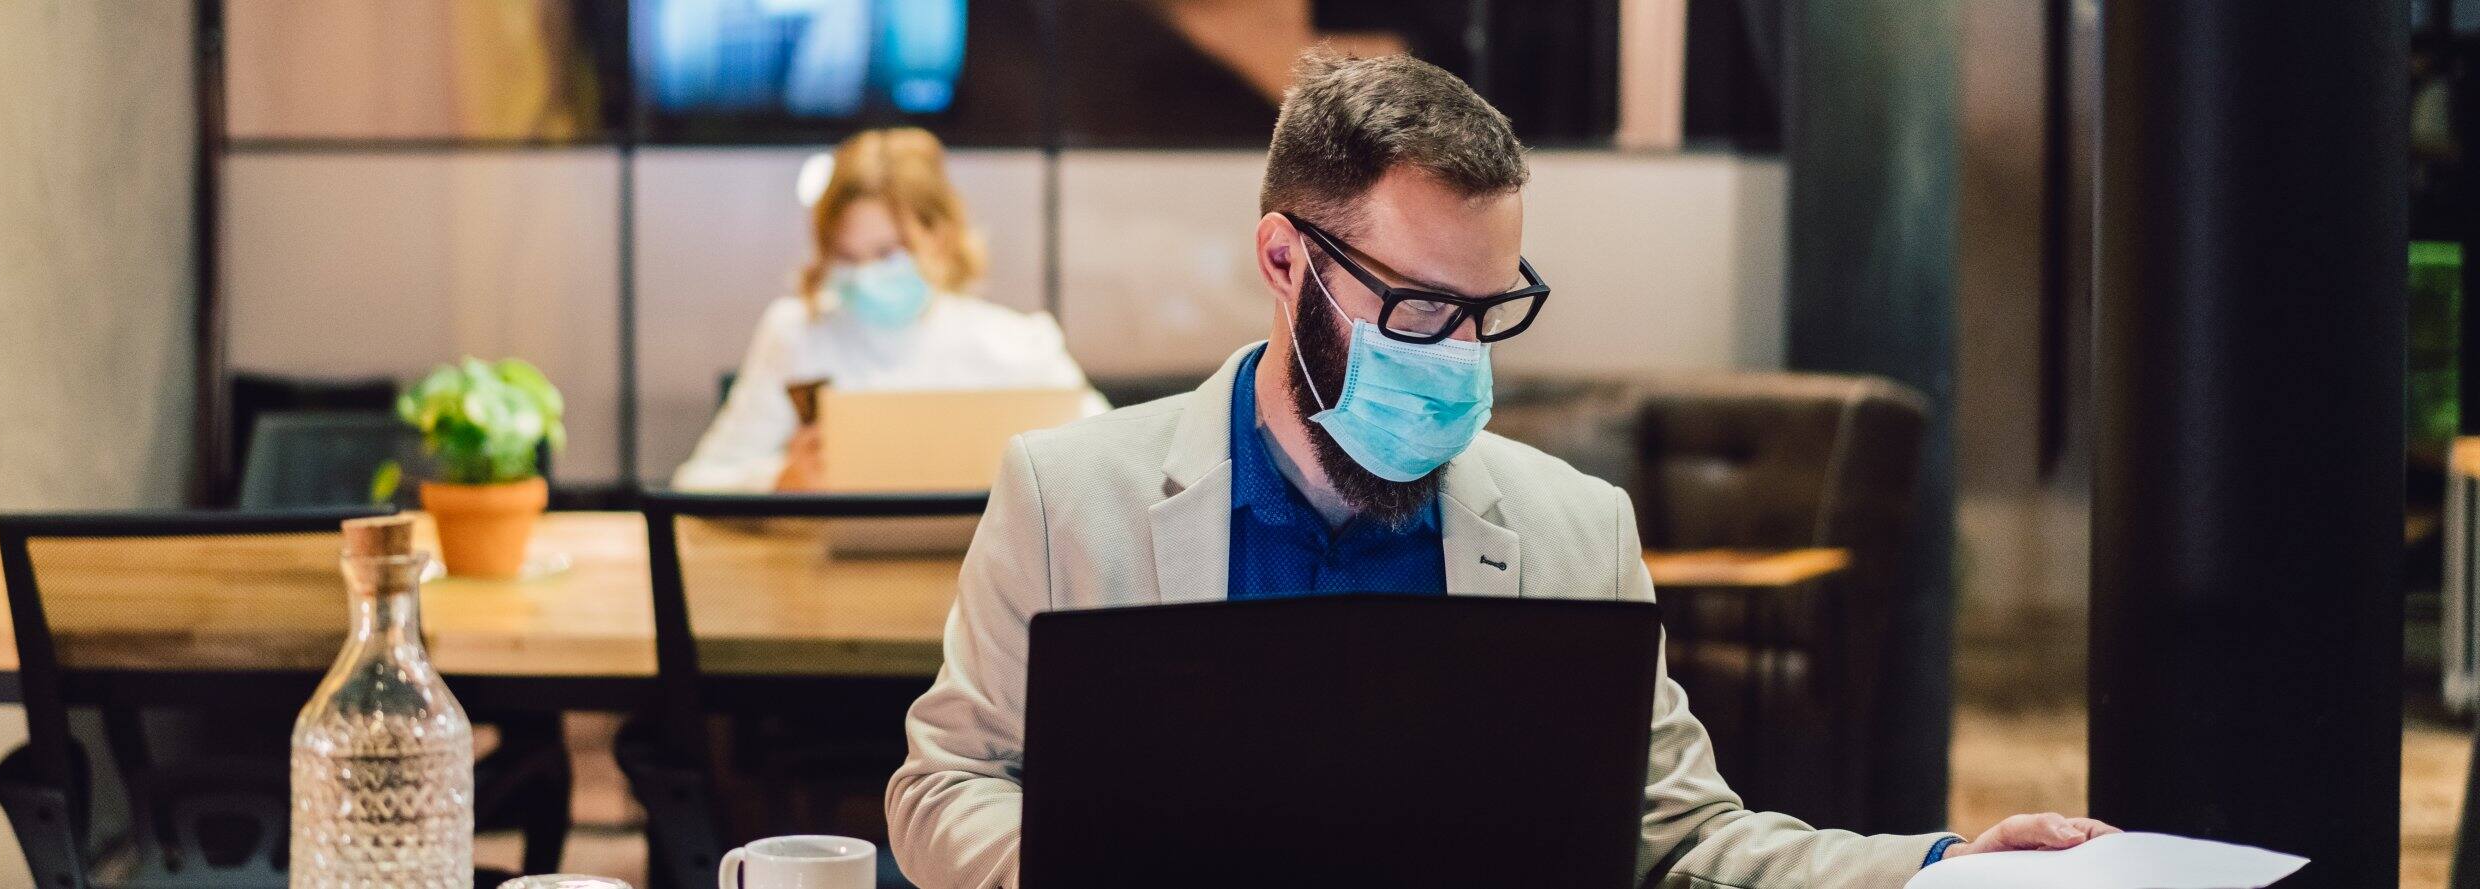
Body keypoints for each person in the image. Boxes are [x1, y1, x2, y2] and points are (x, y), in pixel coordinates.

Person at [886, 49, 2115, 889]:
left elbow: (1686, 837)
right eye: (1420, 308)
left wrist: (1939, 867)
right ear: (1283, 261)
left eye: (1489, 310)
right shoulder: (1067, 494)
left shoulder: (1575, 529)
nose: (1460, 357)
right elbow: (945, 785)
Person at [672, 127, 1102, 492]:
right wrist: (782, 481)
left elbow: (1109, 461)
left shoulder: (1018, 346)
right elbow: (698, 482)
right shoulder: (797, 334)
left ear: (941, 237)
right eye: (847, 256)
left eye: (887, 253)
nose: (864, 276)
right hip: (827, 566)